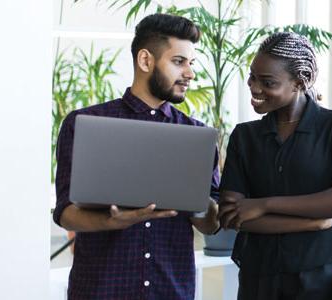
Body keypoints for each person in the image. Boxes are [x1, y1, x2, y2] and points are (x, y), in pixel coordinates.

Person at [53, 13, 220, 300]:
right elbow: (66, 213)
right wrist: (111, 222)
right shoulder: (84, 123)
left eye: (191, 63)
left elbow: (212, 224)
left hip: (171, 290)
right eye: (179, 62)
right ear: (145, 61)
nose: (190, 73)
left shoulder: (197, 135)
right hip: (100, 290)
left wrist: (195, 196)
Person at [218, 32, 332, 300]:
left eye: (268, 82)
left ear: (301, 81)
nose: (254, 87)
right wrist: (317, 222)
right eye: (252, 77)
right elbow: (232, 216)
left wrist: (263, 205)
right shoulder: (244, 136)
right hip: (258, 279)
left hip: (321, 279)